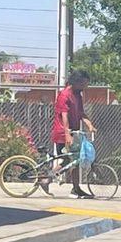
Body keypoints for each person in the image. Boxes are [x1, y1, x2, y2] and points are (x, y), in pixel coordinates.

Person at [44, 70, 97, 199]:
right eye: (83, 84)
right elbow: (64, 116)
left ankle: (76, 189)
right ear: (76, 82)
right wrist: (67, 134)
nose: (85, 86)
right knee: (69, 160)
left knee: (76, 161)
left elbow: (81, 113)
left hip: (74, 132)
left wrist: (89, 124)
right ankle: (46, 180)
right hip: (63, 133)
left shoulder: (78, 95)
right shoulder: (64, 95)